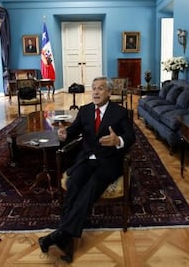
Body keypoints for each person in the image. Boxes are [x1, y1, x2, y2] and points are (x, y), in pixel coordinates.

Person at [38, 76, 136, 263]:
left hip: (108, 162)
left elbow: (130, 137)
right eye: (94, 88)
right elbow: (73, 131)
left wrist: (118, 141)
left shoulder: (120, 112)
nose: (96, 92)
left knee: (91, 186)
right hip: (86, 159)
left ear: (109, 92)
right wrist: (64, 133)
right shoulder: (84, 111)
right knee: (74, 184)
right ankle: (64, 237)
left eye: (100, 88)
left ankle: (59, 235)